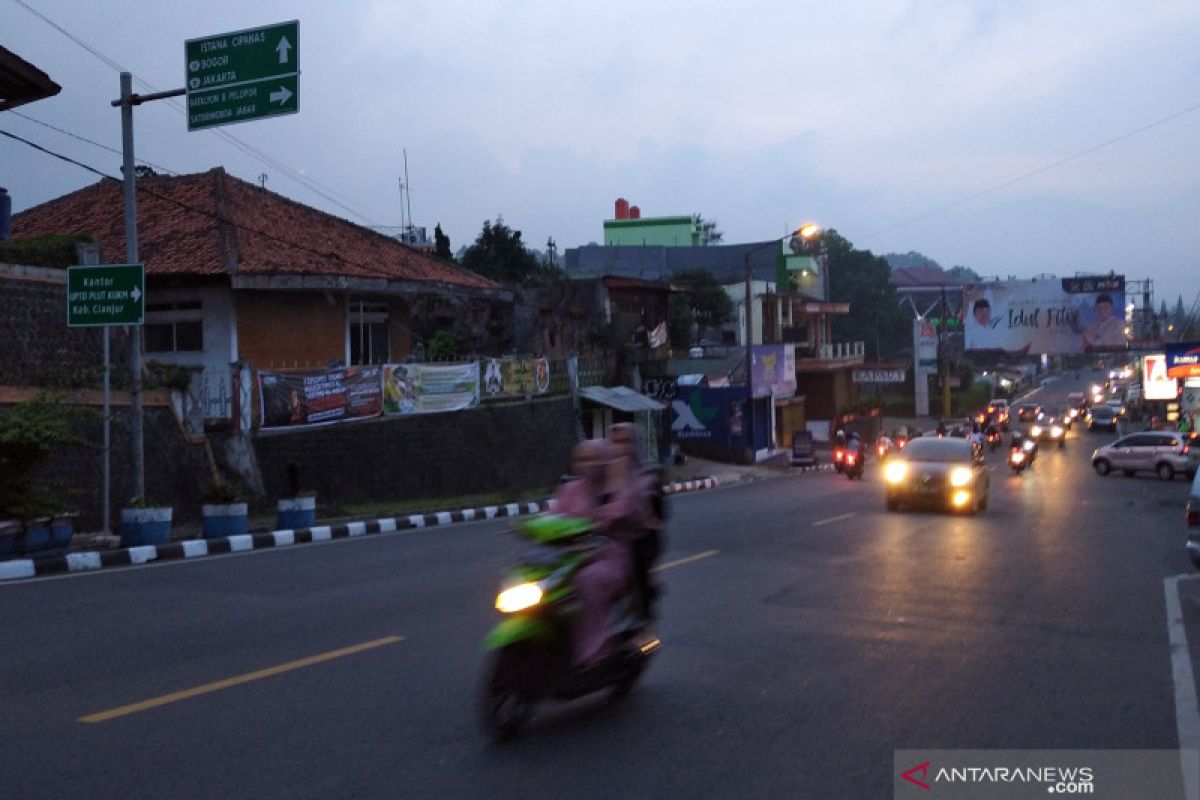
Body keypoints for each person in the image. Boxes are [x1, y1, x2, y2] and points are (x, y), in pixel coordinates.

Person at [552, 440, 634, 670]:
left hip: (608, 556)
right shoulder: (570, 490)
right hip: (570, 556)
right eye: (582, 459)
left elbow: (617, 512)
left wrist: (596, 519)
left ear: (605, 460)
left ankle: (594, 650)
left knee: (587, 581)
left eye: (593, 458)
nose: (586, 464)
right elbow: (553, 515)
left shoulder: (615, 489)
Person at [608, 423, 664, 619]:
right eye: (615, 442)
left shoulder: (648, 478)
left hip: (641, 541)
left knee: (636, 572)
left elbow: (659, 515)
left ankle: (642, 624)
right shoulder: (605, 473)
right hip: (610, 540)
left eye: (625, 441)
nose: (619, 447)